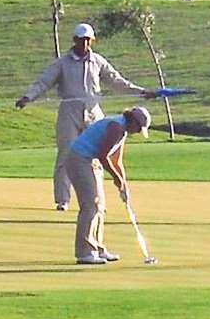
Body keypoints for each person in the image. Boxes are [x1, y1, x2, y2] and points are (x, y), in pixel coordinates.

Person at [15, 23, 156, 210]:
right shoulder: (62, 63)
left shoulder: (98, 61)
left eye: (88, 40)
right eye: (81, 40)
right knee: (67, 154)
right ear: (75, 40)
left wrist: (141, 92)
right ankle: (63, 200)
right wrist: (28, 97)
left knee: (98, 155)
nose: (85, 43)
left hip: (93, 111)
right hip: (69, 111)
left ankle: (97, 199)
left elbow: (117, 81)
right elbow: (44, 81)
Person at [61, 105, 149, 264]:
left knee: (100, 206)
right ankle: (85, 253)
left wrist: (123, 184)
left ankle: (98, 248)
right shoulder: (116, 127)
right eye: (138, 128)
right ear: (133, 121)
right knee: (90, 205)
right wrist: (116, 179)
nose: (137, 132)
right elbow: (103, 156)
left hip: (91, 160)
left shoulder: (122, 131)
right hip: (79, 159)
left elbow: (117, 160)